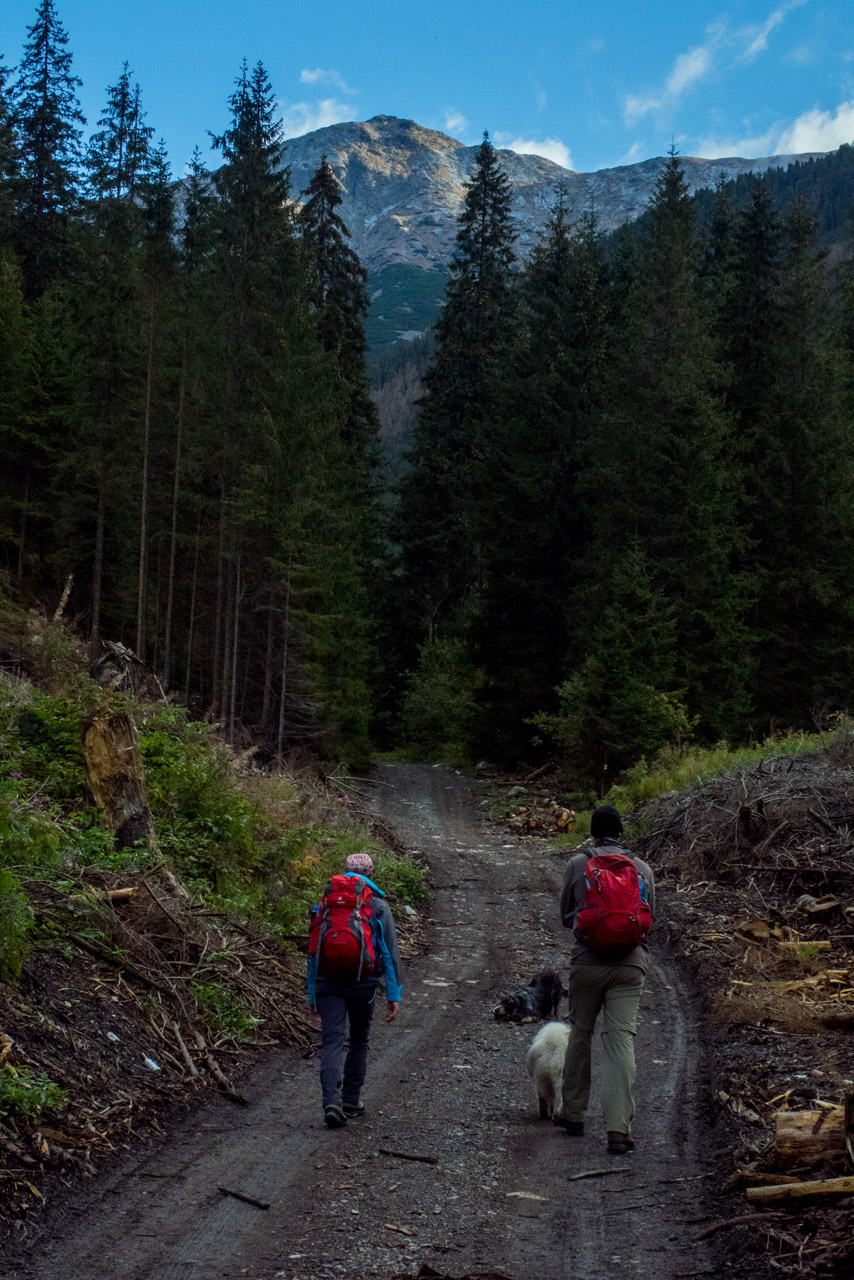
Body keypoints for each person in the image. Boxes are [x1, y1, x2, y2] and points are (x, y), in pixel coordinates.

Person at [558, 804, 655, 1154]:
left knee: (580, 1033)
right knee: (620, 1042)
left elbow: (565, 917)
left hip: (587, 964)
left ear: (594, 831)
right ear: (620, 831)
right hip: (630, 966)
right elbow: (649, 917)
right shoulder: (641, 868)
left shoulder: (577, 864)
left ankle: (573, 1115)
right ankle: (618, 1129)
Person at [307, 851, 403, 1129]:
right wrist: (394, 995)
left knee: (333, 1041)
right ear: (370, 875)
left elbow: (313, 953)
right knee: (359, 1041)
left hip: (328, 983)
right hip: (364, 984)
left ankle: (331, 1102)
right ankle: (350, 1099)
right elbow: (390, 953)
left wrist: (312, 994)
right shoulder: (378, 906)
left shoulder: (325, 904)